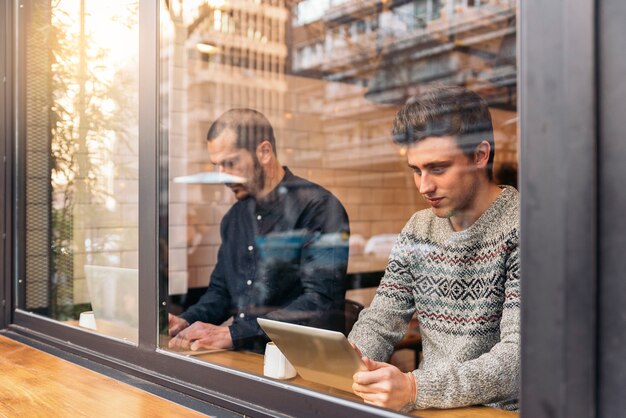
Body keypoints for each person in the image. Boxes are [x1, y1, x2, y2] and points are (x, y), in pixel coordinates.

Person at [348, 85, 520, 412]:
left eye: (438, 168)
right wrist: (352, 363)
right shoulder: (418, 228)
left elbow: (516, 358)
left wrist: (414, 386)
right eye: (416, 170)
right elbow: (381, 322)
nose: (424, 186)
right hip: (428, 407)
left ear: (480, 155)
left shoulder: (523, 226)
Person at [169, 108, 350, 353]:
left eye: (230, 163)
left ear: (264, 152)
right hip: (247, 359)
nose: (222, 177)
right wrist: (186, 321)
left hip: (302, 361)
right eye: (217, 166)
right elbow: (220, 292)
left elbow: (320, 301)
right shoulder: (234, 218)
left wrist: (235, 333)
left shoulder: (318, 207)